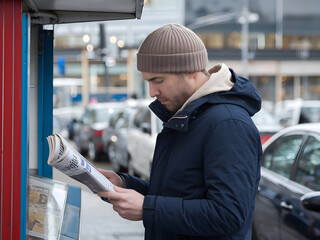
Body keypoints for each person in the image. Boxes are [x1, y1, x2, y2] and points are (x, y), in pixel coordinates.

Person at [98, 23, 262, 240]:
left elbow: (229, 215)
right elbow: (178, 193)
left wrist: (148, 208)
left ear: (190, 71)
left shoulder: (227, 124)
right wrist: (124, 183)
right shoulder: (188, 115)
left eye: (158, 81)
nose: (152, 92)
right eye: (148, 81)